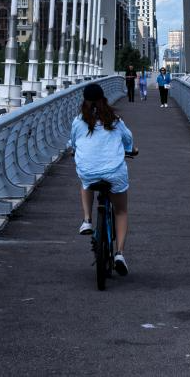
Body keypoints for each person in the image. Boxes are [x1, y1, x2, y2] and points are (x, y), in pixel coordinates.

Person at [69, 82, 137, 276]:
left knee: (86, 181)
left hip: (89, 171)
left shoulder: (79, 121)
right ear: (103, 99)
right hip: (115, 173)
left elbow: (73, 143)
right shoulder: (114, 120)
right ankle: (119, 254)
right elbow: (128, 140)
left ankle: (87, 220)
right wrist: (131, 151)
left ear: (84, 101)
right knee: (121, 210)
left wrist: (75, 151)